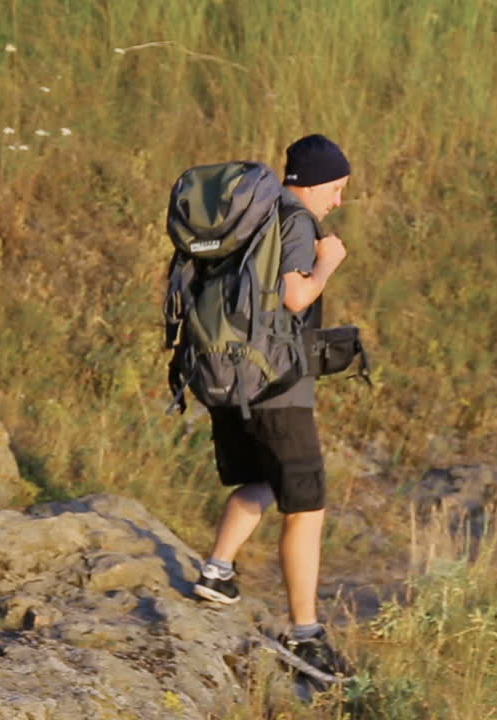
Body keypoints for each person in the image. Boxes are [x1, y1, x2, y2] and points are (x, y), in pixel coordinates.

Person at [191, 134, 352, 678]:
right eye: (336, 189)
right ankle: (305, 635)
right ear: (311, 183)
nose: (338, 201)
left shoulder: (250, 215)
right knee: (306, 505)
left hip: (230, 372)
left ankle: (216, 571)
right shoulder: (297, 222)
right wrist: (328, 263)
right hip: (276, 385)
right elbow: (295, 296)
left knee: (264, 479)